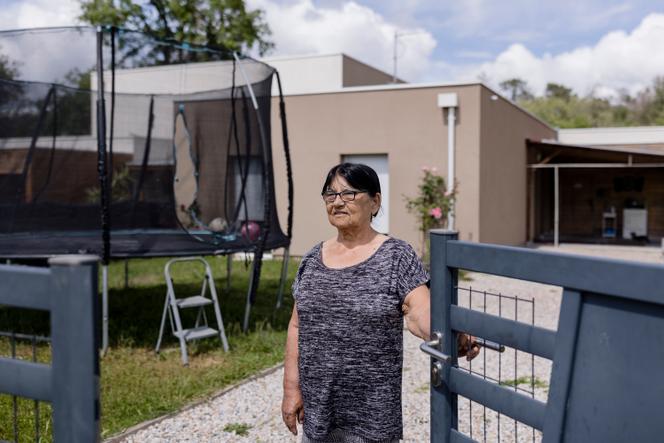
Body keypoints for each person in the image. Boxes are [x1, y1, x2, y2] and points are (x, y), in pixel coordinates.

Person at [282, 163, 480, 443]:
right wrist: (291, 389)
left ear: (375, 201)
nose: (337, 202)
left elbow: (419, 310)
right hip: (319, 414)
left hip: (371, 418)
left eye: (349, 194)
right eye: (330, 194)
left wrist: (451, 334)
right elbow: (296, 326)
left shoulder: (396, 256)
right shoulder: (312, 259)